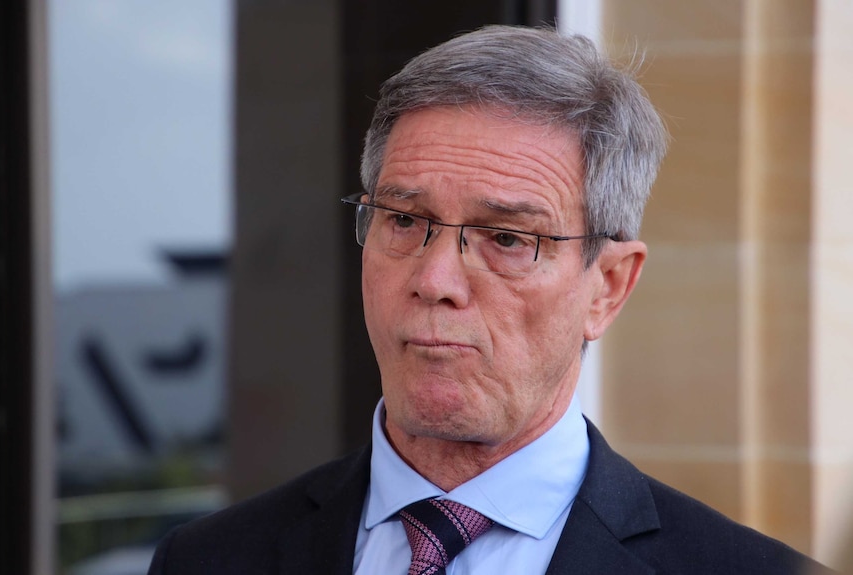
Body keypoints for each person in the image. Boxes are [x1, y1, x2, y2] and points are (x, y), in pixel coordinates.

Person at [148, 25, 835, 574]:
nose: (436, 279)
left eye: (507, 237)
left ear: (608, 285)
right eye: (405, 220)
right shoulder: (208, 559)